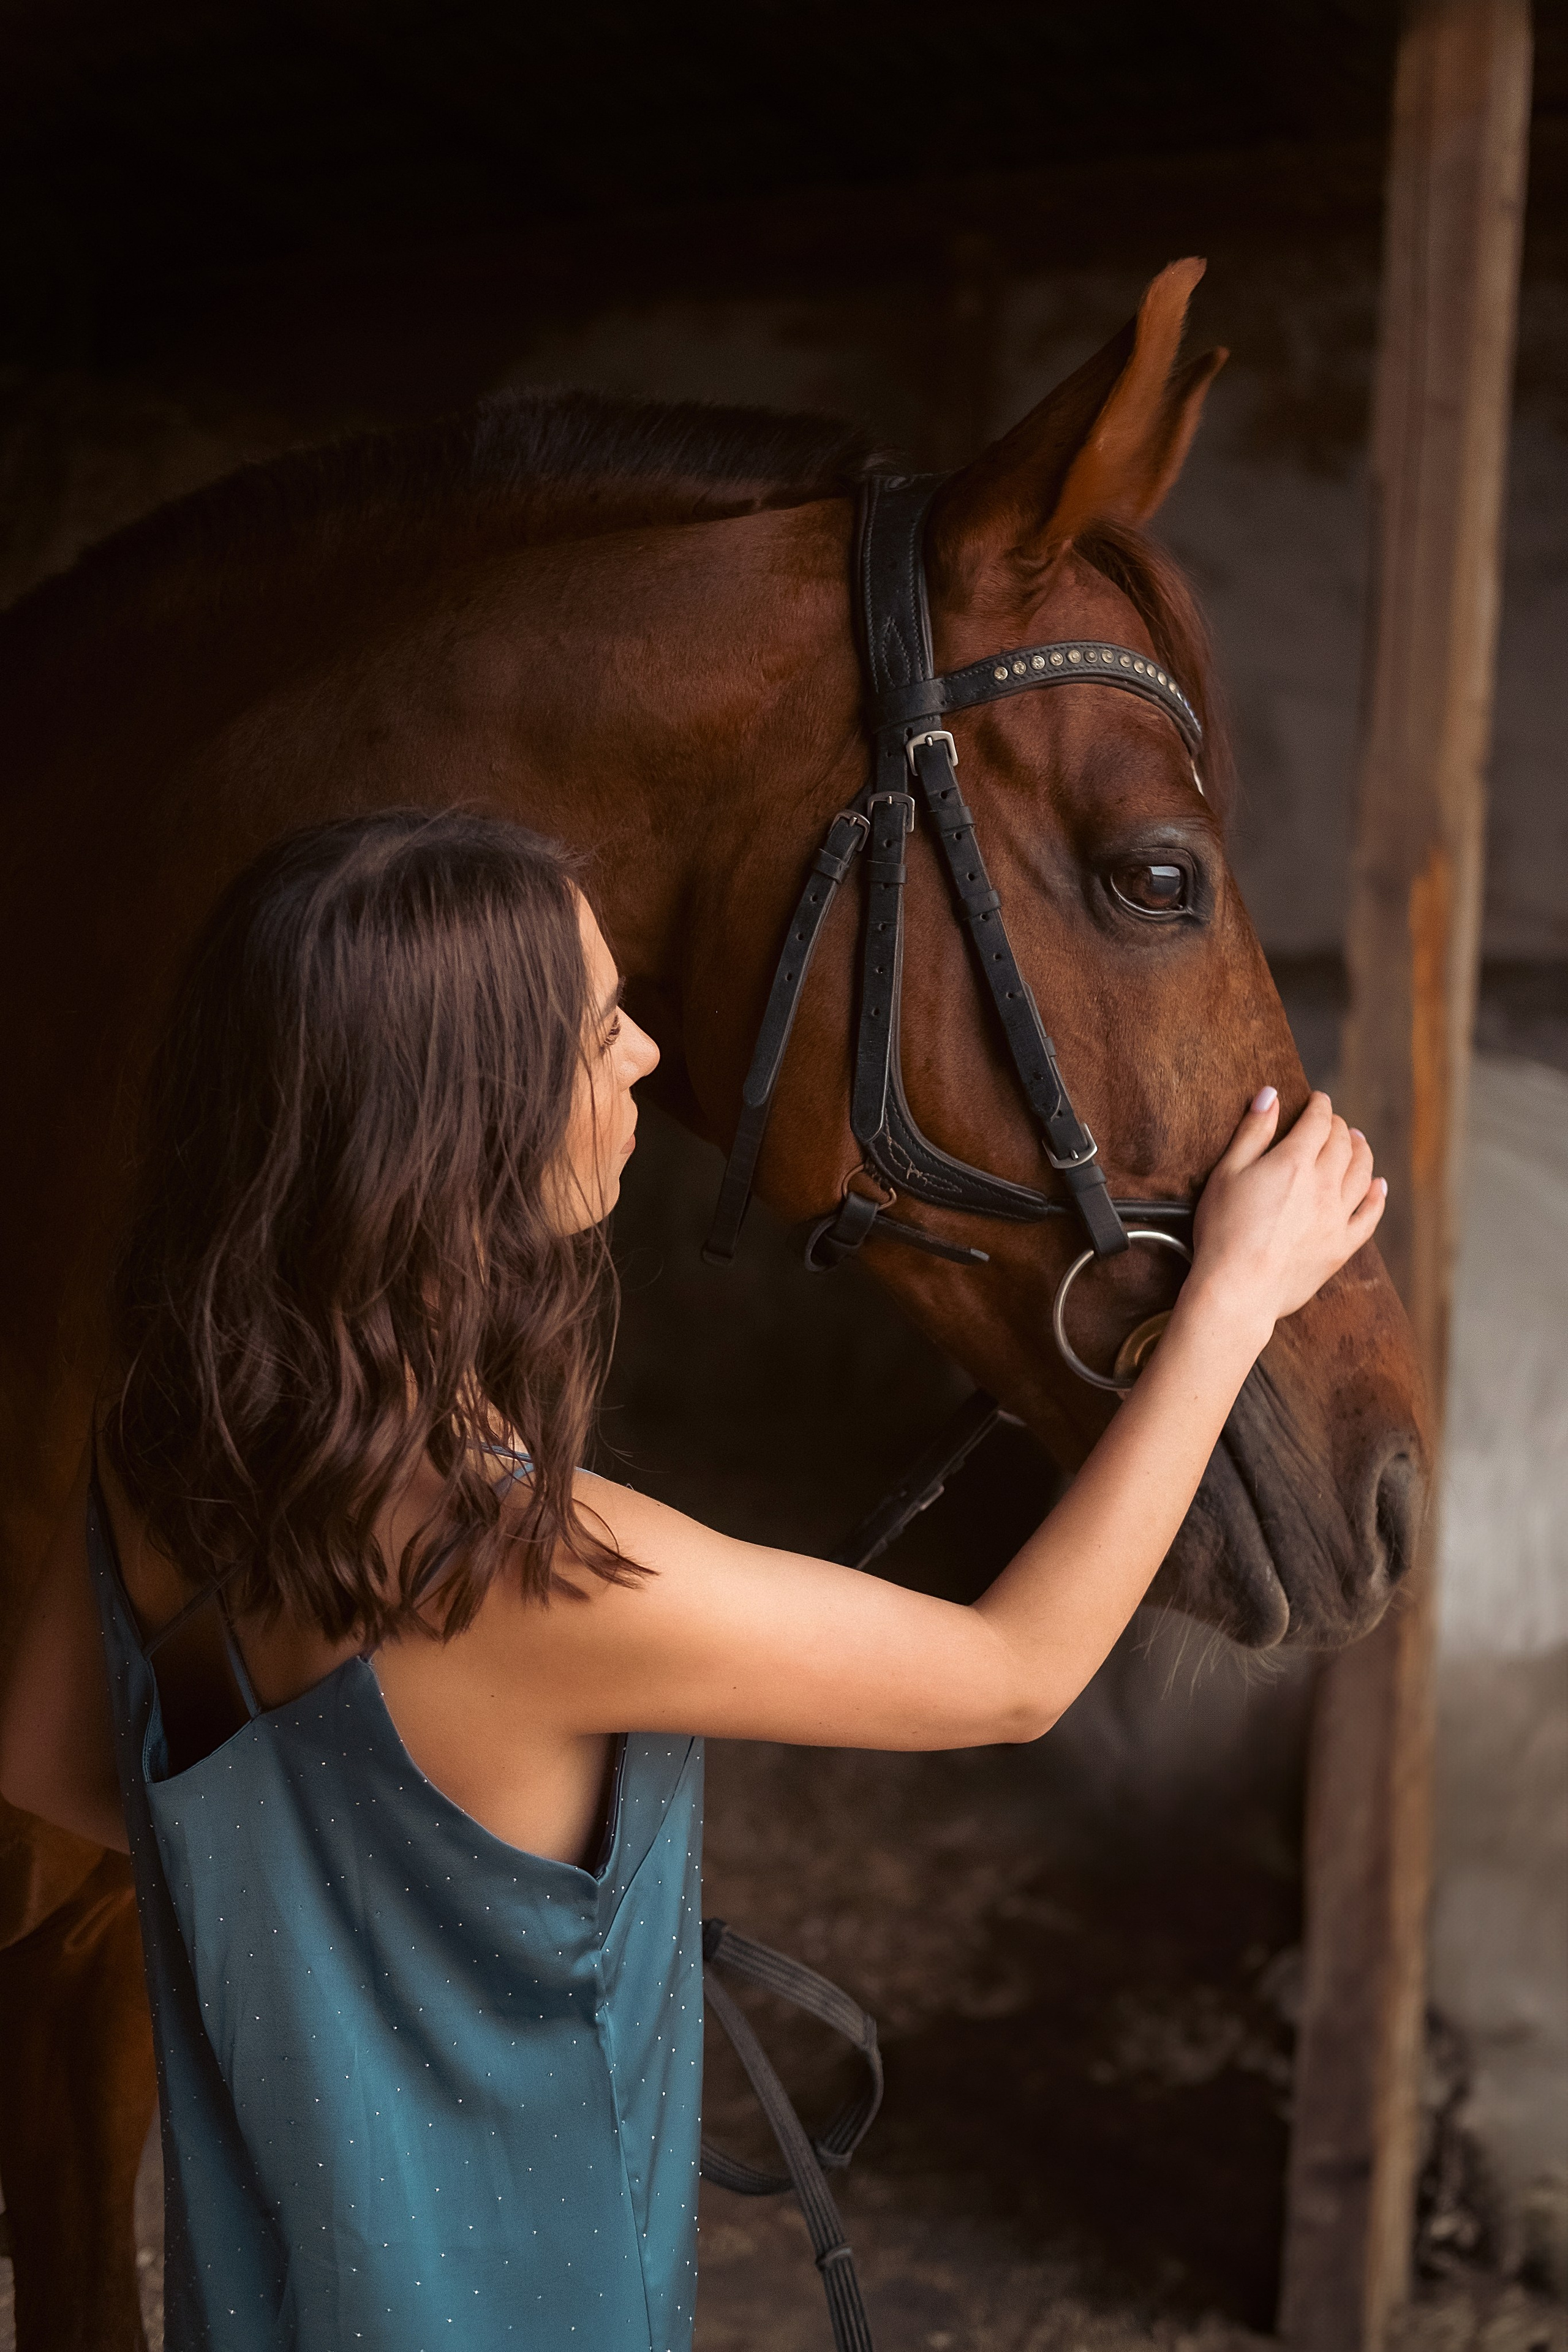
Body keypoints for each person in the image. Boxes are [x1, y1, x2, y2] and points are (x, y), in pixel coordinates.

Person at [0, 809, 1385, 2351]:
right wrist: (1229, 1304)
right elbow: (1014, 1674)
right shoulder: (540, 1575)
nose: (647, 1059)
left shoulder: (159, 1447)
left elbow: (45, 1762)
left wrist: (340, 1945)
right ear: (460, 1125)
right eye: (600, 1032)